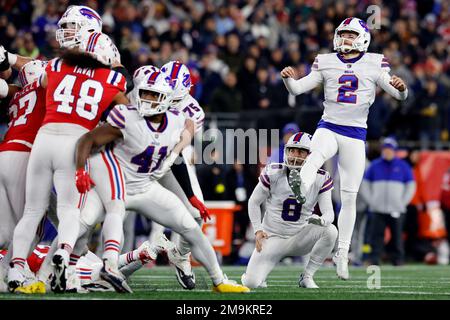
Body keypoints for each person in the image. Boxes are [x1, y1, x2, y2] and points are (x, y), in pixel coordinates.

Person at [73, 72, 249, 293]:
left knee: (190, 227)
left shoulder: (177, 121)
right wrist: (81, 169)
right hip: (113, 185)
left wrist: (191, 196)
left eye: (153, 95)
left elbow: (176, 160)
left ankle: (219, 280)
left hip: (145, 187)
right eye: (144, 93)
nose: (146, 99)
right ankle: (51, 267)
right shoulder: (127, 116)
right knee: (81, 225)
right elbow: (89, 140)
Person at [281, 17, 408, 279]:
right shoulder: (325, 61)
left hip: (355, 135)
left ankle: (342, 252)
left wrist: (402, 89)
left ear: (362, 38)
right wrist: (288, 80)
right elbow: (297, 88)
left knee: (349, 196)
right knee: (313, 157)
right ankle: (301, 191)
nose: (345, 39)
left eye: (351, 34)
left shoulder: (374, 62)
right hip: (329, 125)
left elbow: (398, 96)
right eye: (343, 34)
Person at [7, 32, 128, 294]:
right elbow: (125, 115)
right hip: (75, 142)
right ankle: (63, 251)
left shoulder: (58, 65)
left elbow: (41, 82)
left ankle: (17, 268)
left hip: (44, 139)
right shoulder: (113, 78)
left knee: (32, 211)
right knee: (69, 211)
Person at [241, 132, 337, 289]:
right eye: (292, 150)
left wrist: (322, 220)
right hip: (271, 237)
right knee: (251, 283)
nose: (294, 156)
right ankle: (261, 275)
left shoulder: (321, 177)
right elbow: (253, 202)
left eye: (300, 152)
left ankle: (307, 276)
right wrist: (258, 230)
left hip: (300, 237)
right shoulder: (273, 172)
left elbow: (329, 213)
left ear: (310, 155)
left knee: (330, 231)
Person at [0, 61, 47, 292]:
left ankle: (2, 275)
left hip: (4, 151)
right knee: (32, 220)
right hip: (24, 154)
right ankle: (20, 272)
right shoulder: (42, 89)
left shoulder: (17, 95)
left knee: (5, 231)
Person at [359, 137, 416, 265]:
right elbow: (365, 185)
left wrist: (403, 202)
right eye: (385, 149)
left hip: (396, 208)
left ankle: (398, 259)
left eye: (389, 149)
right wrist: (371, 201)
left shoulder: (403, 166)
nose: (387, 152)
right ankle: (374, 258)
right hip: (377, 208)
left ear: (394, 151)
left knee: (397, 236)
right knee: (376, 236)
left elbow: (411, 186)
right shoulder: (375, 165)